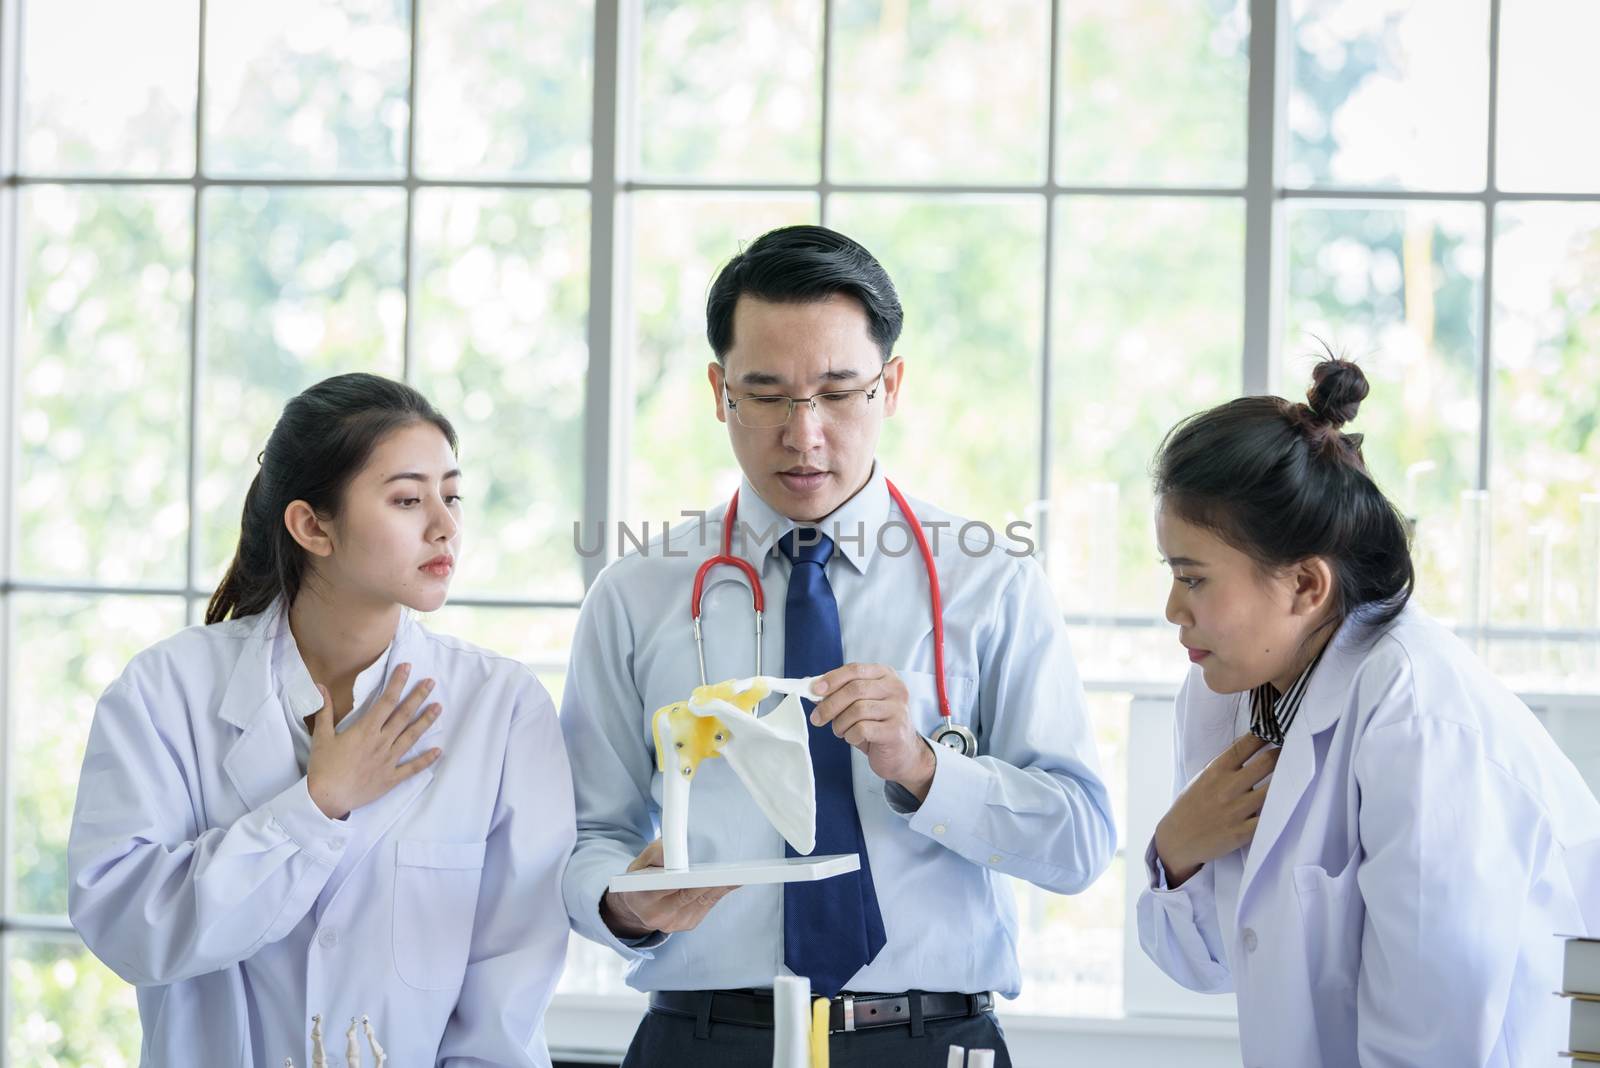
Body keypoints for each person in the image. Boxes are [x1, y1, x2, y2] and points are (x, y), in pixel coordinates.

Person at [560, 224, 1117, 1067]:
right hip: (705, 1041)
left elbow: (1080, 842)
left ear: (890, 386)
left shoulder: (989, 582)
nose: (804, 432)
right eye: (768, 393)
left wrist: (927, 771)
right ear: (720, 393)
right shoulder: (636, 593)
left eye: (838, 391)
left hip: (929, 1040)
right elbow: (584, 838)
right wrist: (627, 903)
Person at [68, 373, 575, 1066]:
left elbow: (507, 996)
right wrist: (314, 806)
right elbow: (133, 931)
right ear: (312, 525)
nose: (446, 524)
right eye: (407, 499)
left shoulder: (504, 709)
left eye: (451, 495)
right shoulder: (164, 692)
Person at [1137, 357, 1600, 1067]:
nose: (1173, 610)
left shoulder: (1419, 717)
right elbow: (1210, 963)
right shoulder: (1228, 689)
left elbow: (1432, 1040)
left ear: (1305, 584)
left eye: (1193, 578)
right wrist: (1175, 851)